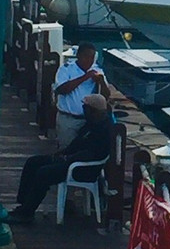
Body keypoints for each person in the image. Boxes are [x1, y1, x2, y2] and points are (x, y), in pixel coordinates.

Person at [7, 93, 114, 224]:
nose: (83, 109)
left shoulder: (103, 130)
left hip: (82, 168)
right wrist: (62, 153)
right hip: (71, 160)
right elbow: (77, 144)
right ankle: (23, 204)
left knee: (44, 173)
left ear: (93, 110)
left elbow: (93, 154)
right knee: (33, 162)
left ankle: (27, 213)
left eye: (85, 107)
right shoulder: (91, 123)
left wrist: (68, 158)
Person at [53, 42, 110, 147]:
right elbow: (61, 89)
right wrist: (85, 77)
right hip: (68, 119)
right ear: (78, 56)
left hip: (88, 120)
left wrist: (101, 82)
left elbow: (105, 97)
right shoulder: (66, 69)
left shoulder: (97, 70)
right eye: (86, 56)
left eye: (92, 57)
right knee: (66, 148)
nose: (89, 60)